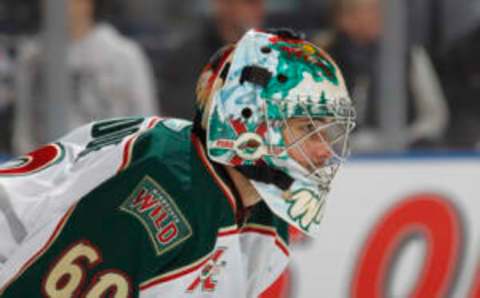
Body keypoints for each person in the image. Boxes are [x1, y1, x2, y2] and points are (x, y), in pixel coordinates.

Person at [0, 29, 355, 297]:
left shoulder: (266, 219)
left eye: (327, 132)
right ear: (250, 120)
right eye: (307, 129)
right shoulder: (162, 187)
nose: (324, 150)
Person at [13, 0, 158, 155]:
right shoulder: (32, 55)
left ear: (87, 3)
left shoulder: (123, 55)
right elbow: (24, 124)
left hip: (108, 166)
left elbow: (146, 121)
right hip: (46, 168)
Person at [314, 0, 449, 152]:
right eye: (369, 11)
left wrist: (406, 139)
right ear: (343, 18)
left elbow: (433, 114)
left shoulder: (409, 54)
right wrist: (346, 143)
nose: (380, 16)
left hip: (407, 151)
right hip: (339, 156)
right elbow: (315, 117)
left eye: (377, 11)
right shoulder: (323, 58)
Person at [159, 0, 266, 120]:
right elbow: (183, 118)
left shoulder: (269, 55)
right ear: (222, 4)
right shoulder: (185, 58)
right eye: (250, 2)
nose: (260, 10)